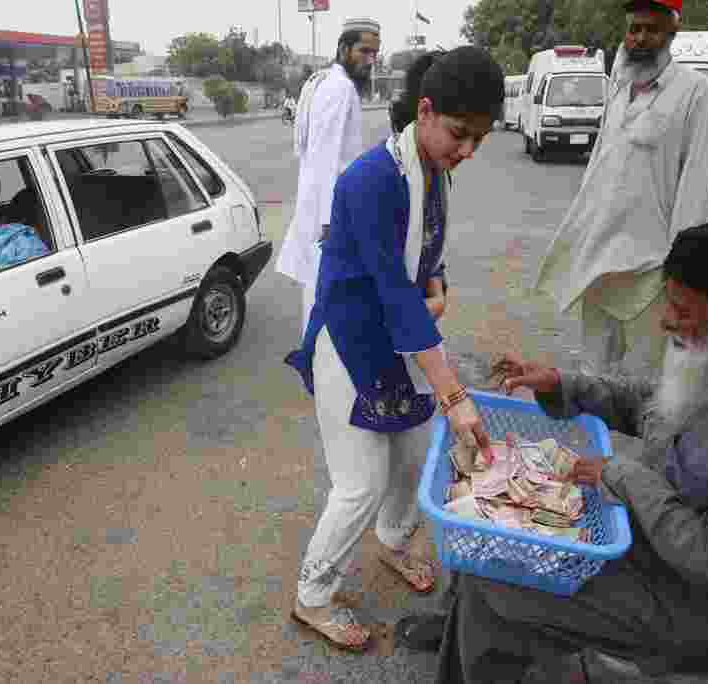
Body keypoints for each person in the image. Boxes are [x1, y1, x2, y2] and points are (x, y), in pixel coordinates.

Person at [428, 223, 708, 683]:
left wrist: (625, 478)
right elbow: (652, 405)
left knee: (493, 581)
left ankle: (470, 654)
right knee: (486, 541)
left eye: (681, 311)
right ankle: (464, 644)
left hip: (687, 607)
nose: (665, 321)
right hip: (638, 541)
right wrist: (564, 384)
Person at [284, 47, 505, 652]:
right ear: (427, 111)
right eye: (460, 134)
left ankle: (393, 539)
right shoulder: (371, 179)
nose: (467, 151)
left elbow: (426, 260)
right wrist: (454, 394)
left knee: (412, 455)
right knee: (360, 482)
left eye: (479, 141)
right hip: (351, 343)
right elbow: (390, 289)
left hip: (399, 341)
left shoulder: (432, 170)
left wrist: (437, 286)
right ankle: (314, 596)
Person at [534, 0, 708, 378]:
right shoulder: (620, 86)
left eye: (651, 29)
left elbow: (696, 184)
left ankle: (652, 438)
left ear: (672, 33)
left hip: (651, 265)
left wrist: (682, 268)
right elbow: (599, 165)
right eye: (634, 29)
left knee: (649, 375)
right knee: (593, 370)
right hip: (600, 256)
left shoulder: (696, 92)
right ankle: (596, 434)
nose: (639, 38)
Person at [275, 17, 382, 334]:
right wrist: (330, 221)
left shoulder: (323, 81)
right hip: (330, 216)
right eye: (364, 51)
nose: (370, 60)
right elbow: (325, 156)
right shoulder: (339, 87)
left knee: (319, 294)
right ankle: (319, 369)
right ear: (343, 48)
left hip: (323, 208)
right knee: (325, 302)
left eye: (375, 53)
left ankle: (318, 364)